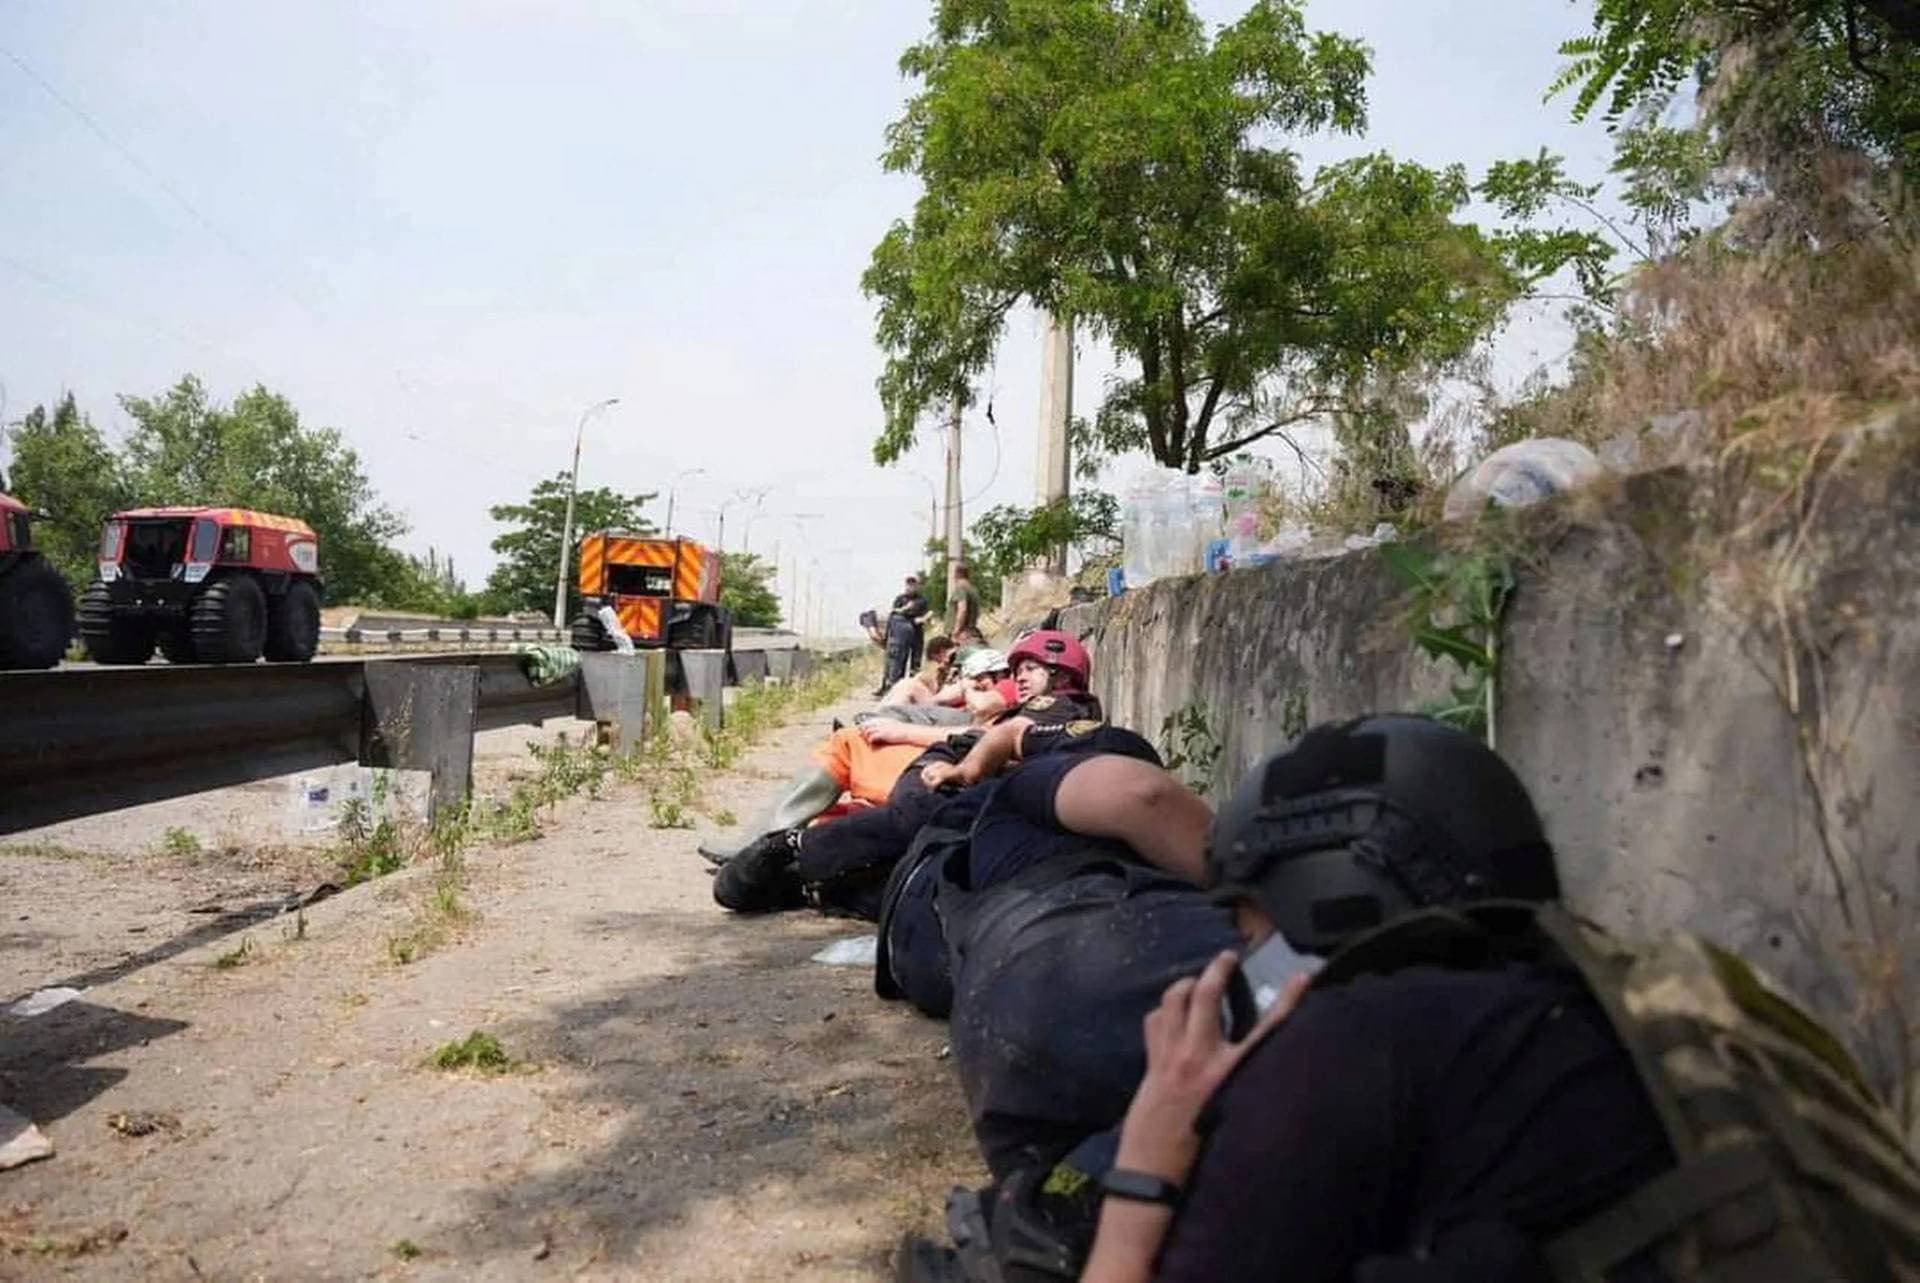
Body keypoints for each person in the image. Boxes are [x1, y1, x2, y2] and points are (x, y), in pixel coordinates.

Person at [903, 716, 1920, 1281]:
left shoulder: (1348, 1046)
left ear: (1327, 897)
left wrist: (1151, 1156)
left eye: (1251, 922)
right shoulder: (1648, 982)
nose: (1242, 946)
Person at [715, 630, 1101, 918]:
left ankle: (800, 870)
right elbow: (994, 736)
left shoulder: (1062, 708)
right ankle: (790, 849)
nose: (1019, 677)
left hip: (966, 781)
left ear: (1062, 675)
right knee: (915, 819)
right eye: (1017, 669)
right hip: (951, 771)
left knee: (925, 866)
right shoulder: (1042, 709)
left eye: (1031, 669)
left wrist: (959, 763)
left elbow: (1003, 740)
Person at [880, 574, 932, 695]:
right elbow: (894, 613)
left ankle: (913, 688)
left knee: (915, 660)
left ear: (917, 586)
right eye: (909, 584)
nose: (910, 587)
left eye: (913, 584)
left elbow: (927, 613)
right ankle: (897, 686)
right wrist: (904, 609)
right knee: (899, 659)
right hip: (901, 633)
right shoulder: (900, 599)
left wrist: (924, 618)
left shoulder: (922, 600)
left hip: (916, 632)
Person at [879, 635, 959, 710]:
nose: (950, 661)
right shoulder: (932, 673)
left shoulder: (917, 677)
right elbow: (931, 702)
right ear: (938, 655)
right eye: (952, 657)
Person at [948, 563, 982, 638]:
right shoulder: (973, 589)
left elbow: (962, 609)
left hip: (962, 633)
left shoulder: (960, 587)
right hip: (971, 631)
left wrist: (956, 630)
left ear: (957, 574)